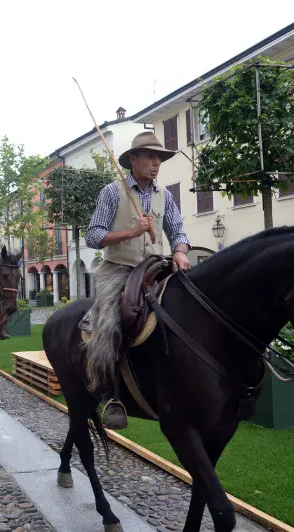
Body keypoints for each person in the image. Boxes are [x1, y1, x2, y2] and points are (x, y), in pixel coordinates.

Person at [83, 131, 192, 430]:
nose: (157, 163)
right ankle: (110, 393)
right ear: (133, 159)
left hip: (156, 265)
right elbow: (93, 236)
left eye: (160, 158)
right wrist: (130, 233)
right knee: (110, 322)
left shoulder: (165, 195)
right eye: (151, 156)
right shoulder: (111, 192)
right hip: (119, 268)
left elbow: (178, 232)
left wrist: (181, 252)